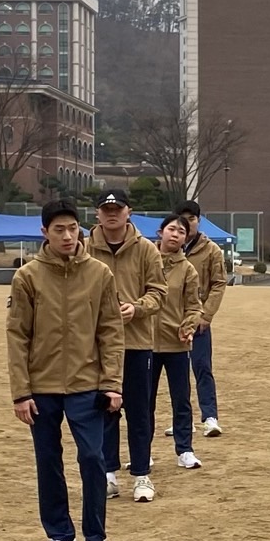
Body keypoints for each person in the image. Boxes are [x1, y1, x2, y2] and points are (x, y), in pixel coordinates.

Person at [9, 199, 126, 541]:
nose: (67, 236)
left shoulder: (99, 274)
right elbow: (18, 336)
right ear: (44, 232)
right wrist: (21, 392)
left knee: (92, 457)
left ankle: (96, 539)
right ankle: (61, 537)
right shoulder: (27, 276)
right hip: (41, 387)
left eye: (72, 228)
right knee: (48, 460)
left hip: (86, 383)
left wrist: (112, 383)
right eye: (58, 229)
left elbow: (111, 331)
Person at [89, 190, 169, 493]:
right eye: (106, 209)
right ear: (97, 213)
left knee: (139, 412)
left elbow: (158, 292)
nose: (112, 214)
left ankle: (141, 474)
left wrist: (137, 308)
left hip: (137, 343)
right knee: (103, 409)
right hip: (96, 344)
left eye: (117, 209)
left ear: (129, 212)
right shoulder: (85, 248)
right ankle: (108, 473)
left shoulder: (146, 249)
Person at [144, 216, 209, 498]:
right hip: (145, 343)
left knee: (181, 399)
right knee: (143, 402)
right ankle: (142, 452)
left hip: (177, 344)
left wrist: (188, 325)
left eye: (181, 232)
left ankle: (185, 450)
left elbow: (194, 306)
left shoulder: (187, 270)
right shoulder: (146, 262)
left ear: (185, 238)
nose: (175, 235)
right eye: (171, 229)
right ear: (161, 232)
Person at [173, 200, 230, 436]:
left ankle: (210, 417)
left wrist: (206, 315)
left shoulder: (211, 250)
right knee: (177, 373)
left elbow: (218, 283)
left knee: (202, 367)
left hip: (198, 321)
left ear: (199, 220)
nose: (187, 224)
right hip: (171, 321)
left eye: (192, 219)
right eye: (183, 219)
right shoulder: (166, 248)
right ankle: (181, 420)